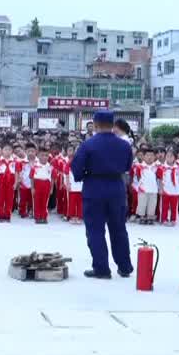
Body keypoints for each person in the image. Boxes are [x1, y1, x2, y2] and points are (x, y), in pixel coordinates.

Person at [70, 110, 134, 280]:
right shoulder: (124, 145)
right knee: (119, 229)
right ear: (112, 125)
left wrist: (84, 175)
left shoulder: (88, 144)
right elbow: (127, 166)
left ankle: (102, 268)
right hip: (116, 188)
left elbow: (77, 168)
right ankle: (125, 267)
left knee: (95, 230)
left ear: (96, 124)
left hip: (94, 188)